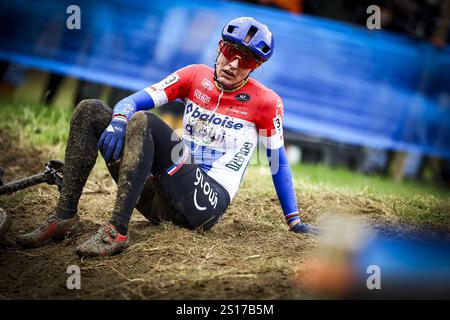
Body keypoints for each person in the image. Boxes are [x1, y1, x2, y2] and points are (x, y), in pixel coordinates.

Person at [16, 17, 319, 257]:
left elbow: (278, 161)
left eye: (247, 61)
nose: (233, 64)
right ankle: (64, 217)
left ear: (258, 67)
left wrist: (295, 221)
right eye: (229, 52)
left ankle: (117, 230)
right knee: (91, 110)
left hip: (204, 204)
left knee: (145, 122)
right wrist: (119, 120)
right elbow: (132, 101)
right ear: (219, 47)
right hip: (160, 194)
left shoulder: (267, 101)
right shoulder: (194, 75)